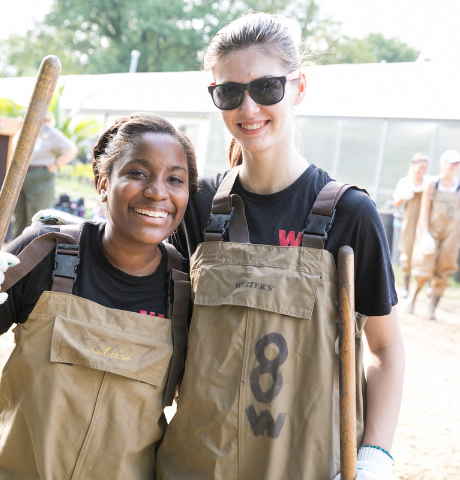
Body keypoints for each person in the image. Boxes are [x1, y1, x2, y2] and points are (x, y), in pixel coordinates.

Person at [156, 12, 404, 480]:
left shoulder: (351, 214)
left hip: (308, 464)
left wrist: (375, 457)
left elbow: (386, 348)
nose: (248, 109)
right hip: (196, 463)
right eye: (229, 93)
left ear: (299, 87)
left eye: (266, 88)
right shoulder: (198, 205)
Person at [0, 112, 198, 479]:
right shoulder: (43, 253)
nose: (156, 191)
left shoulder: (186, 288)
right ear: (103, 182)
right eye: (137, 173)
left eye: (175, 179)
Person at [406, 149, 460, 320]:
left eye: (456, 164)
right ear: (443, 164)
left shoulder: (458, 186)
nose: (454, 167)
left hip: (451, 233)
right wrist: (425, 234)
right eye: (451, 163)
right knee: (424, 267)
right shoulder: (433, 184)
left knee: (444, 269)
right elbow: (425, 210)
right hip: (432, 231)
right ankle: (413, 298)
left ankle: (432, 308)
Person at [12, 111, 79, 239]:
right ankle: (16, 249)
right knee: (19, 215)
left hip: (40, 176)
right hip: (22, 174)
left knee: (38, 217)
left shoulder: (50, 132)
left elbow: (71, 149)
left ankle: (33, 250)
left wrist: (56, 164)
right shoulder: (25, 130)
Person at [392, 153, 430, 297]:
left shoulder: (429, 183)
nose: (422, 171)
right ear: (413, 166)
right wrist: (404, 196)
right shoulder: (405, 182)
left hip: (425, 223)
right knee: (406, 253)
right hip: (410, 222)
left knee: (424, 253)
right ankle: (406, 288)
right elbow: (395, 203)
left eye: (425, 168)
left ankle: (426, 286)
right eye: (420, 168)